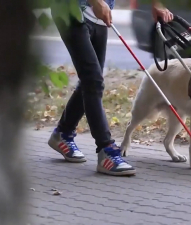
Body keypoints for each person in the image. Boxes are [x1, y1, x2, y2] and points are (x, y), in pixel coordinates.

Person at [48, 0, 173, 176]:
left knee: (90, 81)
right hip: (73, 10)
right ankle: (106, 150)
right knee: (93, 81)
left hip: (99, 16)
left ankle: (63, 133)